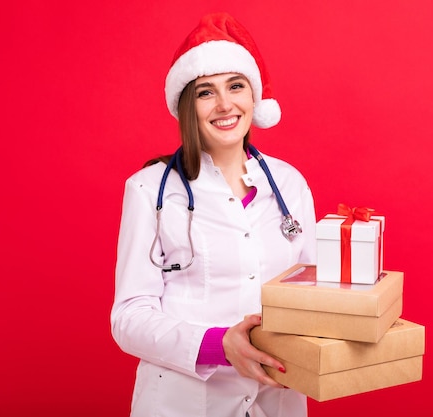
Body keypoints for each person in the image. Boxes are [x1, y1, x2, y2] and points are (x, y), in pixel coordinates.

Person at [111, 12, 316, 417]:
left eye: (235, 86)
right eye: (206, 92)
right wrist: (218, 345)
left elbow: (310, 290)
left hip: (277, 396)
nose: (225, 104)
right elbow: (129, 318)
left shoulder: (289, 183)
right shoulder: (150, 189)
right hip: (184, 403)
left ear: (253, 96)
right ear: (187, 105)